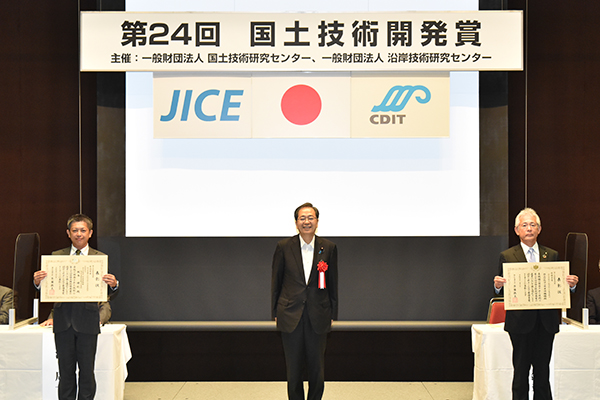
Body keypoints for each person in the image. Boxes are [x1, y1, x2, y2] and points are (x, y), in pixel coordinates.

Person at [493, 207, 578, 400]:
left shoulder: (552, 255)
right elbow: (502, 290)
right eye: (524, 225)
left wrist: (571, 285)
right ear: (517, 230)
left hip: (546, 324)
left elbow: (558, 286)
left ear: (539, 229)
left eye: (533, 225)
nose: (529, 229)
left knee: (542, 372)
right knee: (520, 372)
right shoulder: (507, 256)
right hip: (520, 324)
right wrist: (498, 286)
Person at [33, 214, 119, 400]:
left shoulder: (99, 258)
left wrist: (113, 285)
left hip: (88, 322)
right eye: (75, 230)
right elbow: (48, 288)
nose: (79, 234)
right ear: (68, 233)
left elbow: (106, 292)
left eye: (83, 230)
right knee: (65, 372)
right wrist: (38, 283)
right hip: (63, 322)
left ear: (90, 233)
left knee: (87, 372)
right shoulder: (56, 257)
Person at [271, 202, 338, 400]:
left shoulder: (329, 247)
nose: (306, 221)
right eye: (302, 218)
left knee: (317, 369)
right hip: (290, 315)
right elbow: (276, 281)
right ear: (296, 223)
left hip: (319, 315)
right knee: (293, 370)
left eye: (310, 218)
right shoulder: (284, 247)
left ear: (317, 221)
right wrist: (275, 312)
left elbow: (333, 283)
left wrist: (333, 313)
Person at [41, 301, 112, 327]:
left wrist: (98, 320)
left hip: (89, 331)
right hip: (66, 329)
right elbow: (59, 306)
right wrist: (51, 319)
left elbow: (104, 307)